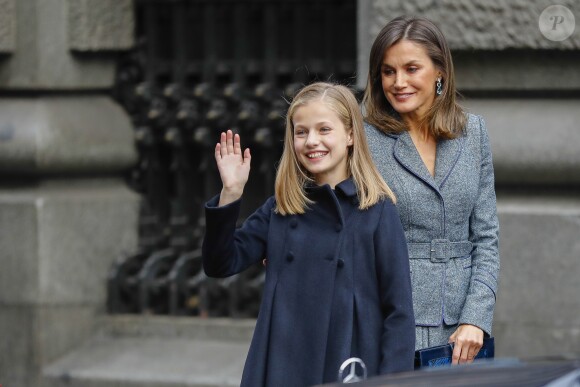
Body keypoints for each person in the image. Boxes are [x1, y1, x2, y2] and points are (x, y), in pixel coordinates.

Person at [202, 82, 415, 386]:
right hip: (281, 366)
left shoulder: (377, 211)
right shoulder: (281, 208)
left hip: (348, 366)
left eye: (324, 129)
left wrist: (393, 382)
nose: (311, 141)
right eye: (301, 132)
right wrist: (231, 192)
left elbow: (399, 312)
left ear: (351, 135)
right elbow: (220, 263)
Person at [363, 15, 500, 365]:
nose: (398, 82)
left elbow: (486, 237)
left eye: (411, 68)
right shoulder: (364, 139)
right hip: (390, 318)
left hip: (461, 331)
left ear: (440, 71)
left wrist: (477, 317)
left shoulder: (474, 133)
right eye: (388, 71)